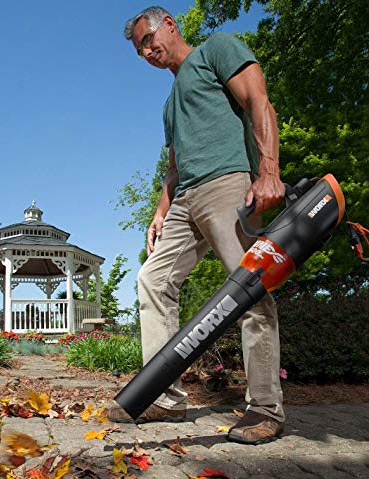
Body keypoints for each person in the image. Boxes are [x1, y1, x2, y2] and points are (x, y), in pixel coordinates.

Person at [107, 6, 285, 445]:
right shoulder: (169, 105)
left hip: (229, 183)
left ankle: (265, 407)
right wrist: (160, 210)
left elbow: (257, 99)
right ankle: (165, 396)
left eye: (149, 39)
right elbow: (172, 168)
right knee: (152, 280)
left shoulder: (215, 50)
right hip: (185, 200)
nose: (148, 52)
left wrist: (268, 170)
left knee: (249, 287)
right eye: (140, 50)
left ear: (169, 24)